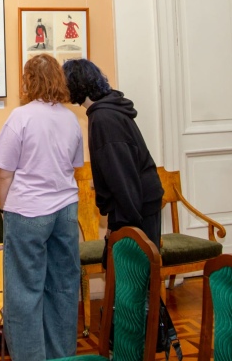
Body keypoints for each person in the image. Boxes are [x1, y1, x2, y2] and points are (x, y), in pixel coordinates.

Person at [0, 54, 84, 361]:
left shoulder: (21, 117)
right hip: (65, 210)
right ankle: (62, 357)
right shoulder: (70, 119)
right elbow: (74, 165)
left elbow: (5, 174)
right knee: (63, 288)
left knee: (23, 293)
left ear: (28, 81)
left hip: (27, 211)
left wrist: (4, 209)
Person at [62, 59, 164, 258]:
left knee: (133, 271)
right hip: (136, 202)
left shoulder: (103, 118)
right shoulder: (107, 110)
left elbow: (122, 175)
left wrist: (124, 225)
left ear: (76, 85)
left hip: (135, 207)